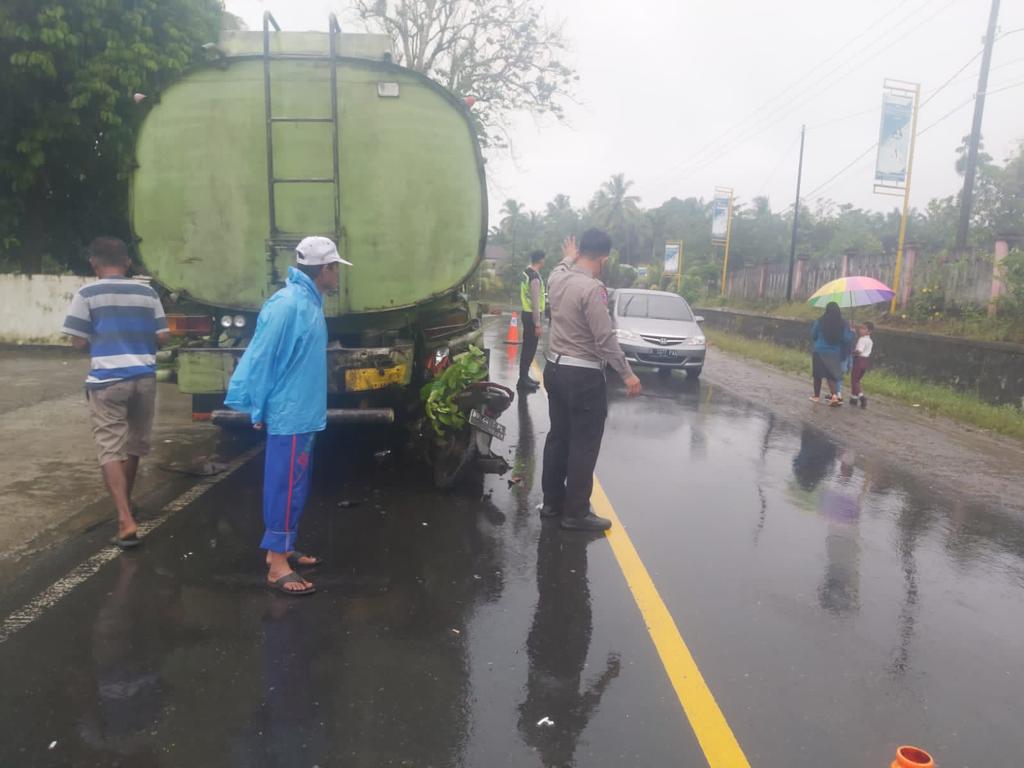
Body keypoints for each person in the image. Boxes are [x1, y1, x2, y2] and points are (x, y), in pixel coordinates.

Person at [225, 235, 351, 595]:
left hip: (303, 412)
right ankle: (276, 563)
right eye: (335, 268)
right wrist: (258, 406)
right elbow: (263, 357)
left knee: (297, 484)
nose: (338, 275)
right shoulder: (287, 305)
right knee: (284, 486)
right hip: (289, 413)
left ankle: (285, 545)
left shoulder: (309, 302)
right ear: (324, 269)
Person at [62, 237, 169, 548]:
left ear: (94, 264)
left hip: (107, 380)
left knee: (110, 447)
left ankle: (124, 518)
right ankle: (128, 503)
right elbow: (162, 336)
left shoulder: (87, 293)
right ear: (127, 263)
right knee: (135, 444)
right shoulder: (147, 292)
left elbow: (78, 341)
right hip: (144, 377)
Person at [541, 228, 642, 531]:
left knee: (558, 438)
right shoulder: (593, 289)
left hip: (554, 369)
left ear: (579, 252)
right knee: (583, 444)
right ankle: (576, 513)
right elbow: (605, 338)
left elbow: (559, 266)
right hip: (583, 375)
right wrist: (627, 374)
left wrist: (567, 256)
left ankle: (551, 503)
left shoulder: (557, 278)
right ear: (604, 258)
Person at [809, 302, 854, 407]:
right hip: (833, 353)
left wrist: (818, 340)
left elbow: (813, 334)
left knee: (817, 375)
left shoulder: (820, 321)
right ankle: (834, 396)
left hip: (819, 351)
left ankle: (816, 396)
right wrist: (852, 332)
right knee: (831, 376)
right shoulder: (843, 323)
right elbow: (846, 339)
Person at [518, 250, 546, 392]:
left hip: (525, 312)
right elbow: (535, 302)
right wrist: (538, 324)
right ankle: (523, 380)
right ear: (541, 260)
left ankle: (524, 377)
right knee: (530, 349)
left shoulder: (526, 272)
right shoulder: (534, 277)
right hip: (531, 315)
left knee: (527, 348)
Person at [850, 321, 874, 408]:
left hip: (859, 360)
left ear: (869, 331)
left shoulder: (862, 339)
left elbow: (859, 351)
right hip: (865, 361)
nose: (861, 330)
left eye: (864, 328)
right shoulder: (870, 341)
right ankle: (853, 397)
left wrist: (851, 352)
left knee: (854, 380)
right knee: (857, 380)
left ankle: (861, 396)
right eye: (861, 328)